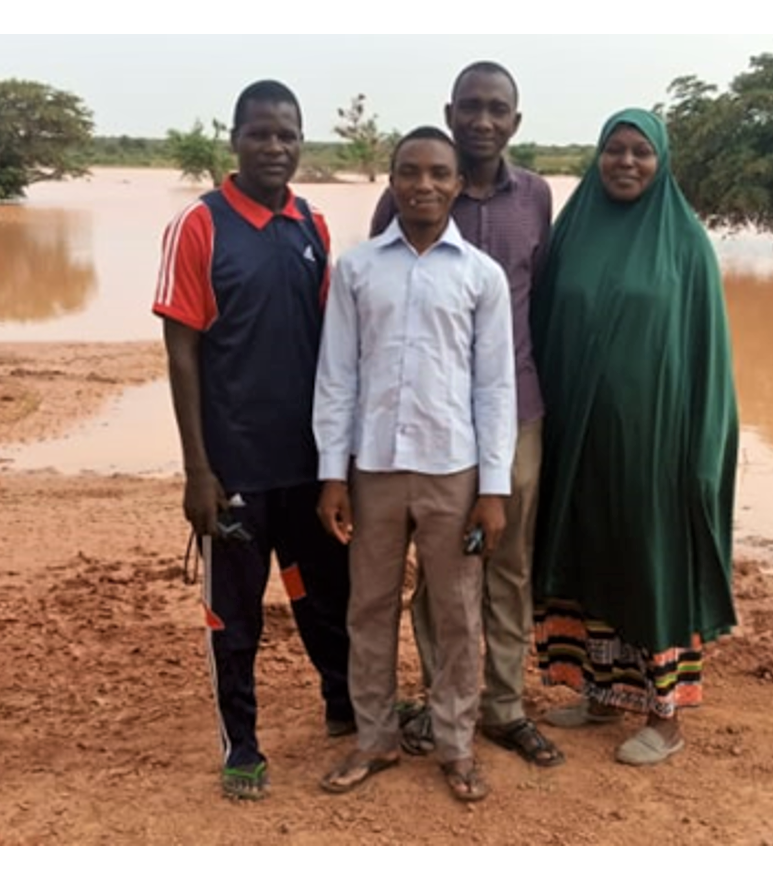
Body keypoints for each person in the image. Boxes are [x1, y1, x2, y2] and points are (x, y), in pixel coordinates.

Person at [367, 60, 567, 770]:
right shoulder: (408, 193)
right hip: (432, 422)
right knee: (439, 566)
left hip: (518, 410)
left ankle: (504, 706)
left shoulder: (536, 196)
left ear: (516, 121)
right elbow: (383, 292)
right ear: (450, 112)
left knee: (508, 564)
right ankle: (438, 699)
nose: (483, 120)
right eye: (471, 106)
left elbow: (543, 299)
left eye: (497, 109)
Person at [159, 78, 355, 801]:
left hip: (306, 465)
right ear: (235, 139)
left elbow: (331, 346)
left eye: (288, 134)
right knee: (235, 617)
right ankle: (241, 742)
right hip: (234, 468)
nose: (275, 146)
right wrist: (197, 470)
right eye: (261, 133)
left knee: (321, 594)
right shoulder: (199, 225)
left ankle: (343, 701)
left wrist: (340, 460)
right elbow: (181, 351)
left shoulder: (313, 225)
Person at [528, 109, 739, 767]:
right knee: (587, 559)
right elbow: (541, 329)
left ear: (661, 160)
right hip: (579, 440)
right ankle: (598, 694)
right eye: (614, 149)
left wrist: (704, 452)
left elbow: (709, 358)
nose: (625, 162)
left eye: (640, 151)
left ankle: (663, 717)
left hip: (656, 447)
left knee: (650, 568)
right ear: (597, 157)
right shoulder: (571, 233)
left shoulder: (686, 245)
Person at [311, 127, 515, 802]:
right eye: (408, 171)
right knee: (369, 607)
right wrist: (333, 473)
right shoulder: (358, 269)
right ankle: (375, 738)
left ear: (457, 184)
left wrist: (493, 488)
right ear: (391, 181)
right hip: (372, 469)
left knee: (456, 611)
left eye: (437, 173)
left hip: (453, 470)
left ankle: (456, 744)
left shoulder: (480, 276)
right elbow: (337, 375)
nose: (422, 184)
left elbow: (495, 388)